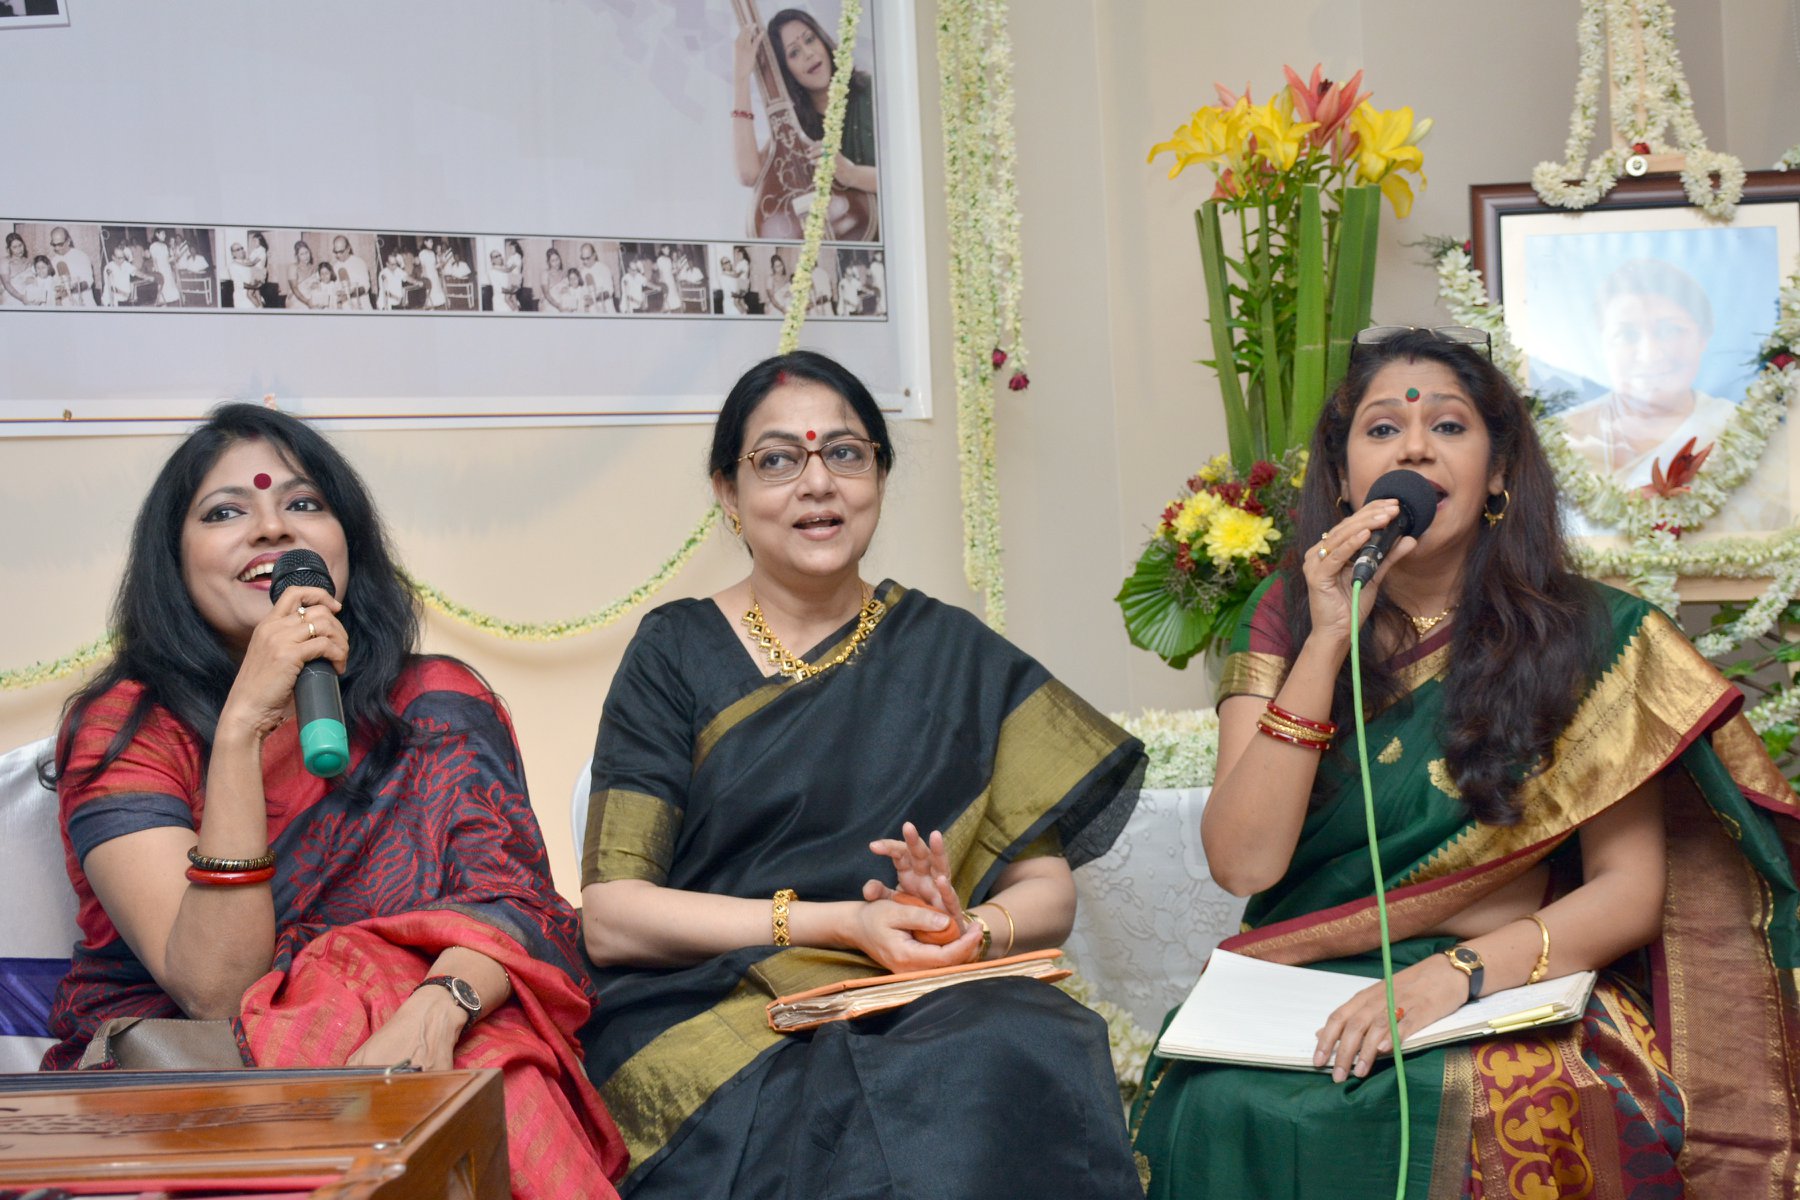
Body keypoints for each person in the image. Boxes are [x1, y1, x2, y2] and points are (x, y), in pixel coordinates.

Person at [1129, 327, 1800, 1198]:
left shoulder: (1590, 635)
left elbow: (1629, 893)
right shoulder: (1288, 614)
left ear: (1498, 472)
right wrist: (1329, 637)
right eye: (1381, 431)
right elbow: (1244, 862)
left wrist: (1456, 976)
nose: (1413, 445)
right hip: (1307, 983)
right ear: (1342, 478)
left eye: (1448, 427)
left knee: (1501, 1099)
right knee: (1224, 1100)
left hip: (1513, 980)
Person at [578, 350, 1146, 1198]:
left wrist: (970, 934)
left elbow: (1048, 894)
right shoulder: (675, 653)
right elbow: (613, 918)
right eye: (777, 460)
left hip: (930, 990)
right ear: (727, 495)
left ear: (878, 473)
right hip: (715, 1004)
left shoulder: (955, 653)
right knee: (833, 1118)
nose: (817, 484)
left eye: (844, 453)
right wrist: (841, 923)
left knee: (1015, 1050)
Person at [39, 404, 627, 1197]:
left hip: (439, 1030)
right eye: (225, 512)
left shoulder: (435, 701)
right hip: (201, 1078)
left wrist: (433, 1007)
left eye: (304, 504)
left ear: (347, 544)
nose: (273, 530)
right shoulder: (129, 726)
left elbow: (511, 904)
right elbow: (215, 986)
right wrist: (245, 725)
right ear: (172, 561)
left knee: (488, 1067)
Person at [1558, 258, 1787, 534]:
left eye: (1670, 331)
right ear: (1602, 342)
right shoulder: (1559, 439)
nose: (1650, 354)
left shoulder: (1747, 433)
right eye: (1626, 334)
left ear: (1703, 336)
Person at [732, 8, 878, 201]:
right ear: (787, 71)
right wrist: (741, 78)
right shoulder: (796, 127)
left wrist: (849, 174)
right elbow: (749, 174)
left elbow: (910, 173)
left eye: (810, 40)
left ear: (823, 41)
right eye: (794, 53)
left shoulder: (871, 92)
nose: (808, 53)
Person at [48, 226, 96, 306]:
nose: (57, 248)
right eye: (54, 244)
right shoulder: (53, 261)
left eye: (60, 244)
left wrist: (72, 288)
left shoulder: (81, 256)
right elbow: (54, 284)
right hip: (65, 305)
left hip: (84, 302)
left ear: (68, 241)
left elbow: (89, 281)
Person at [330, 236, 372, 310]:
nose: (338, 255)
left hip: (361, 306)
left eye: (341, 252)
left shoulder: (359, 263)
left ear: (348, 249)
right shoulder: (335, 266)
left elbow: (366, 286)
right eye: (336, 252)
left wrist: (350, 294)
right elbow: (334, 288)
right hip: (344, 308)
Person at [578, 242, 615, 313]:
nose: (585, 261)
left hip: (605, 309)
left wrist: (595, 299)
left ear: (594, 255)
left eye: (588, 258)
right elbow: (582, 292)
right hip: (589, 311)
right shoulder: (582, 271)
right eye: (583, 258)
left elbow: (610, 292)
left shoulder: (604, 269)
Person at [146, 228, 180, 306]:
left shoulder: (164, 246)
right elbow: (154, 261)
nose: (165, 235)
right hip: (161, 270)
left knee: (171, 288)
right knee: (163, 289)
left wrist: (175, 257)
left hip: (167, 269)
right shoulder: (153, 246)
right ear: (157, 234)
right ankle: (162, 304)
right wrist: (158, 275)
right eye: (163, 233)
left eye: (165, 233)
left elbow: (167, 260)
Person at [286, 240, 321, 309]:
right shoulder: (293, 267)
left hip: (311, 297)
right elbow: (294, 288)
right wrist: (307, 302)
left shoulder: (314, 268)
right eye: (302, 254)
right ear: (297, 256)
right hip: (297, 299)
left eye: (306, 252)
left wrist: (316, 285)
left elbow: (317, 285)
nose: (306, 256)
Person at [417, 235, 446, 310]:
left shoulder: (432, 253)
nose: (432, 243)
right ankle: (430, 308)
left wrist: (440, 264)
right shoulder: (422, 253)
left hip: (434, 275)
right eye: (430, 241)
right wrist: (426, 278)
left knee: (436, 292)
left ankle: (433, 308)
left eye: (432, 241)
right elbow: (423, 266)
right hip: (428, 275)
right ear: (425, 242)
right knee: (430, 293)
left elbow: (434, 266)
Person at [765, 251, 792, 316]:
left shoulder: (786, 277)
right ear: (773, 268)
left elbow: (791, 291)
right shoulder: (770, 279)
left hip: (786, 305)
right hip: (775, 307)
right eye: (777, 267)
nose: (780, 268)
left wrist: (790, 293)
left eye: (780, 265)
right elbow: (771, 297)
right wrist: (781, 309)